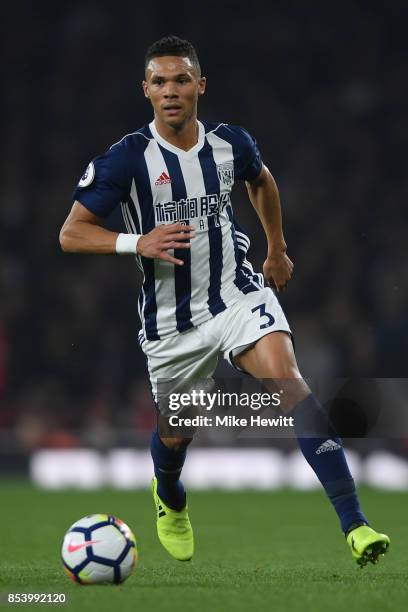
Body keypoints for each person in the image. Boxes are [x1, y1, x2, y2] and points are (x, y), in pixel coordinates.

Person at [60, 35, 389, 567]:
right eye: (160, 82)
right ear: (146, 90)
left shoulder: (230, 143)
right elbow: (71, 233)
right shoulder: (125, 160)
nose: (171, 91)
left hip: (236, 293)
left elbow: (261, 181)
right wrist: (136, 242)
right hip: (172, 323)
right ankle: (168, 495)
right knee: (174, 436)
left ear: (199, 86)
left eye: (181, 80)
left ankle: (356, 526)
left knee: (290, 382)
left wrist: (276, 247)